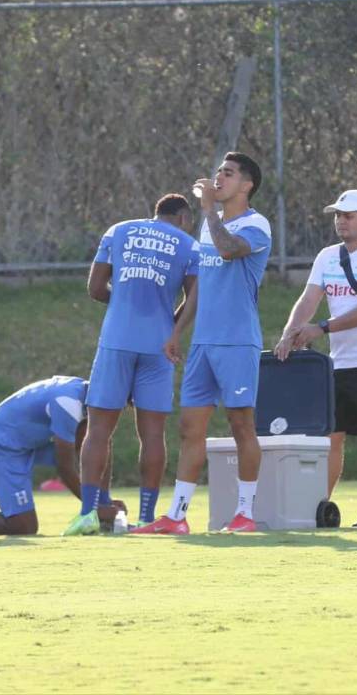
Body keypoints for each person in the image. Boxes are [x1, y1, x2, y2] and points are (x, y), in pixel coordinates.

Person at [132, 152, 271, 535]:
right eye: (217, 173)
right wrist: (177, 330)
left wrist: (209, 209)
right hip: (203, 345)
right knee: (190, 428)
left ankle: (245, 514)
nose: (218, 179)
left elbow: (229, 250)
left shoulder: (256, 224)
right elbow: (202, 286)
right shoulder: (210, 226)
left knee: (242, 424)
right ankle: (177, 517)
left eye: (228, 174)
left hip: (237, 342)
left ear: (247, 185)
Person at [64, 194, 200, 536]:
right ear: (183, 217)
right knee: (152, 433)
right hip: (159, 344)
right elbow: (195, 298)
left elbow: (95, 288)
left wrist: (122, 300)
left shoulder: (118, 231)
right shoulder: (189, 245)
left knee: (98, 430)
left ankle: (87, 514)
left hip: (117, 340)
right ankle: (145, 516)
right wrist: (171, 324)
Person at [275, 189, 357, 527]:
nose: (341, 221)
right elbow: (308, 299)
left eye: (348, 215)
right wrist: (290, 333)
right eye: (337, 215)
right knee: (332, 436)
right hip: (338, 363)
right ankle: (320, 506)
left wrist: (320, 328)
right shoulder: (327, 257)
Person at [0, 377, 123, 536]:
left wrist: (104, 502)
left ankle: (101, 505)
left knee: (98, 441)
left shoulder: (83, 393)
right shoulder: (68, 403)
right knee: (23, 526)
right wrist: (93, 509)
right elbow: (64, 467)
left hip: (27, 442)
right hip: (2, 446)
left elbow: (96, 449)